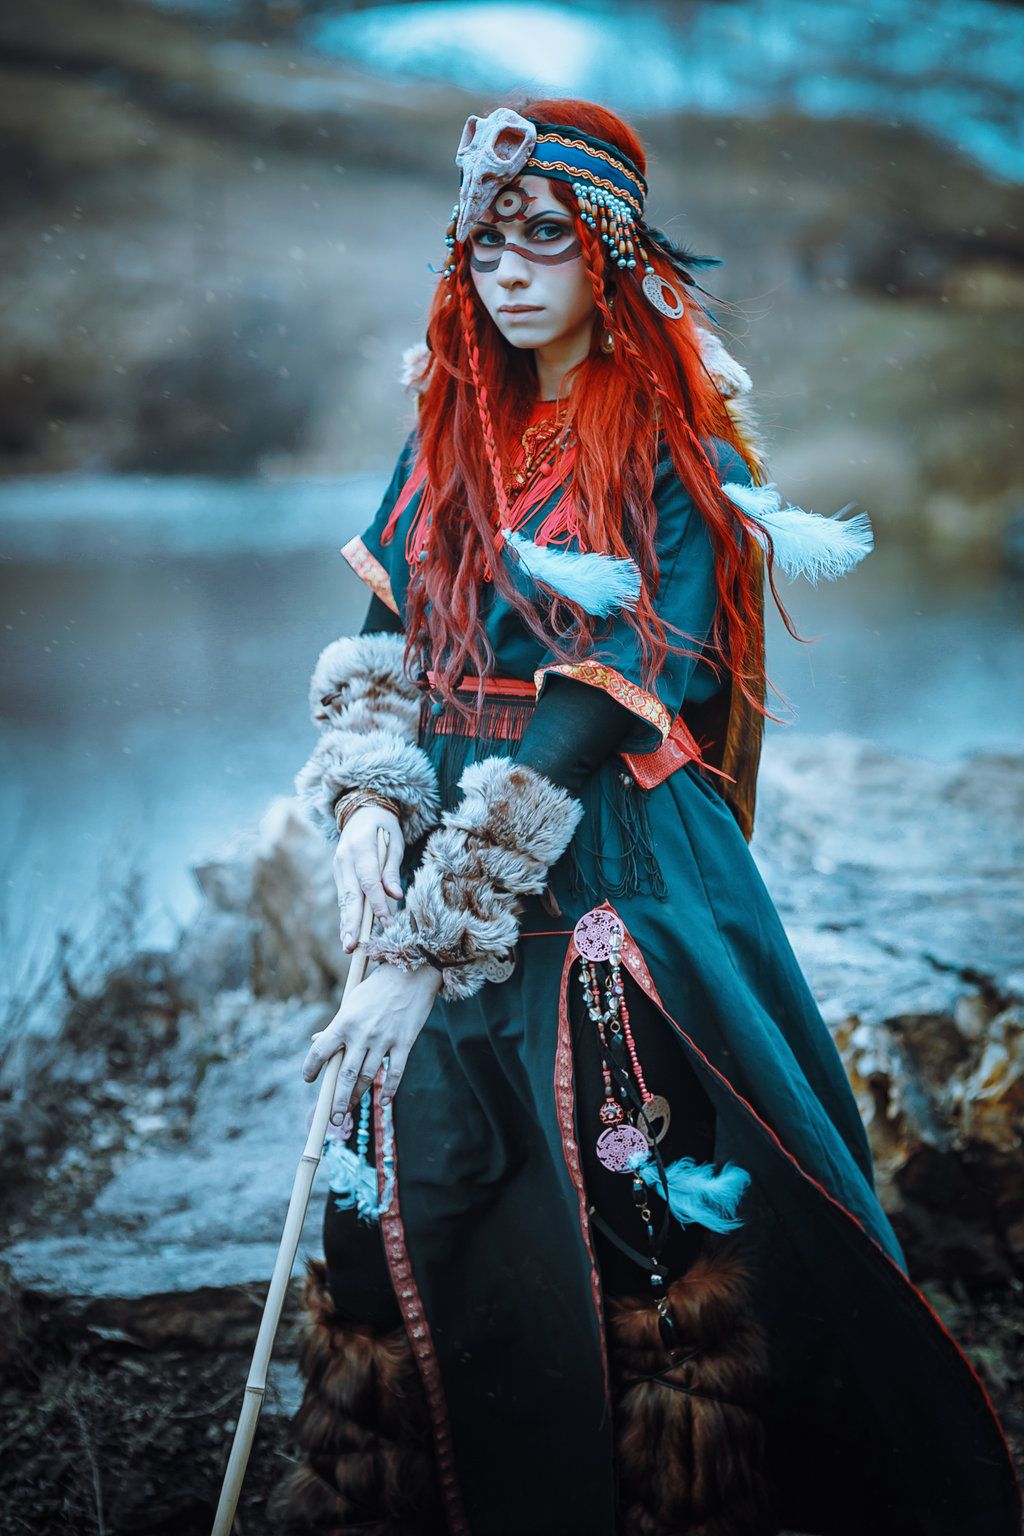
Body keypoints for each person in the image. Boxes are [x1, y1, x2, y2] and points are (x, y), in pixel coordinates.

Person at [277, 98, 1020, 1536]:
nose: (507, 266)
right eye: (485, 237)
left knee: (645, 1211)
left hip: (597, 860)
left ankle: (667, 1500)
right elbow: (372, 640)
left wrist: (430, 945)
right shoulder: (451, 427)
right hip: (441, 835)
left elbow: (603, 706)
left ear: (607, 256)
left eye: (543, 236)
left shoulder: (677, 451)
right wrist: (369, 805)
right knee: (405, 1191)